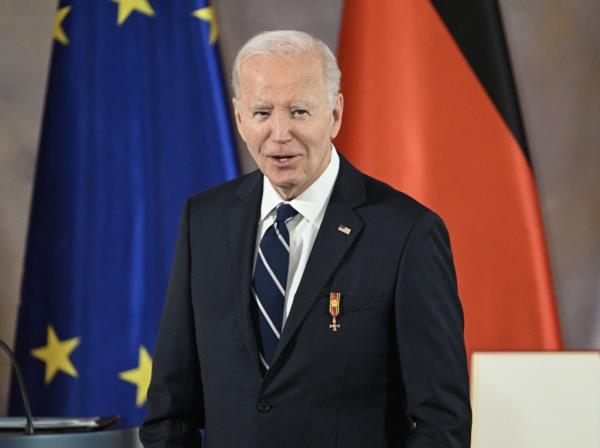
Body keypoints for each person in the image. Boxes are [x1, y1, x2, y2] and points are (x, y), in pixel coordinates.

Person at [140, 30, 471, 448]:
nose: (280, 134)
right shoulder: (203, 221)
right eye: (262, 113)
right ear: (240, 119)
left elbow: (443, 422)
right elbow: (171, 408)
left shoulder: (407, 233)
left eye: (299, 111)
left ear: (334, 115)